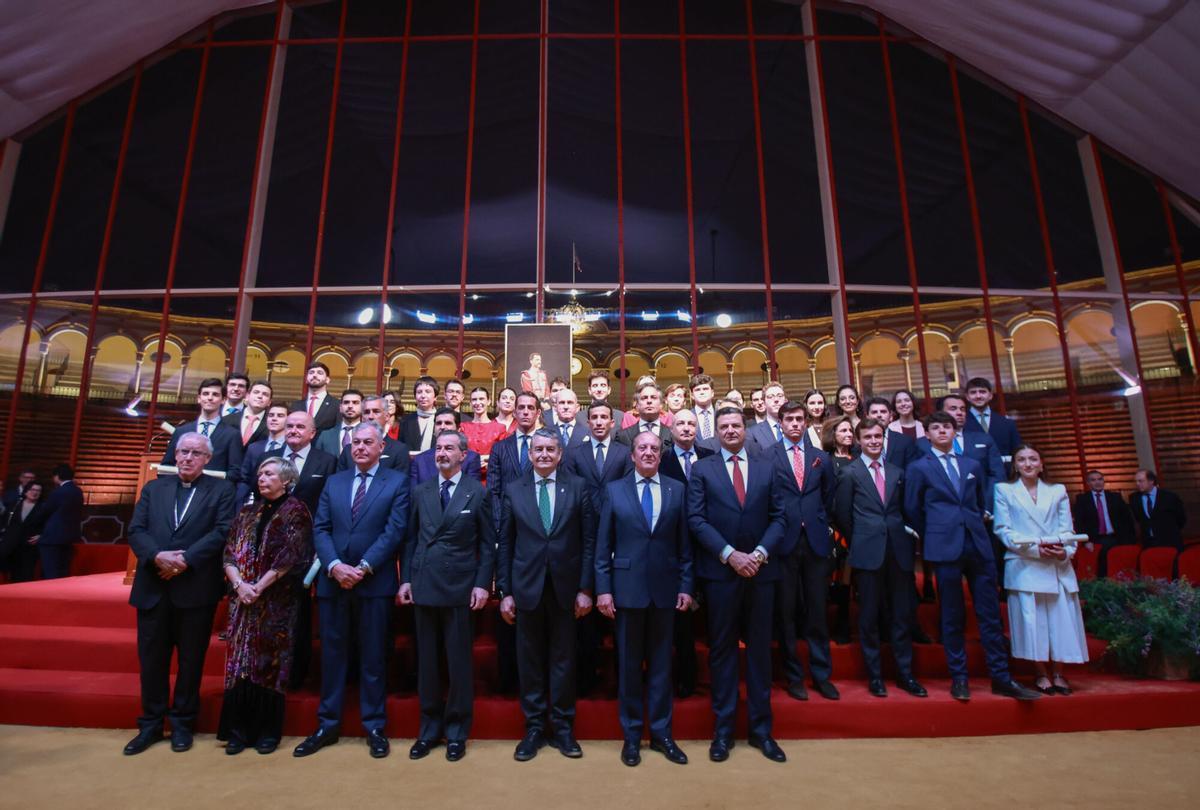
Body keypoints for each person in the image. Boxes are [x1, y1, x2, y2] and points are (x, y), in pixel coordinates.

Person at [904, 411, 1041, 702]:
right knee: (952, 615)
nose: (942, 431)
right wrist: (934, 532)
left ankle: (1001, 678)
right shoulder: (919, 468)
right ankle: (960, 678)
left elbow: (979, 502)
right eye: (936, 427)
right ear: (926, 435)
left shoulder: (971, 465)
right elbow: (913, 509)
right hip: (944, 546)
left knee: (989, 615)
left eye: (947, 427)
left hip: (977, 544)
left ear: (955, 432)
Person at [295, 422, 409, 759]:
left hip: (373, 582)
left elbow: (395, 530)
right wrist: (334, 566)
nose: (359, 447)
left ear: (381, 447)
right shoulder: (335, 482)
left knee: (373, 657)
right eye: (355, 442)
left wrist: (362, 567)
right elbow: (322, 528)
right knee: (332, 656)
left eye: (366, 442)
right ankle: (327, 723)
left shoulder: (398, 482)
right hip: (334, 581)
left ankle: (374, 724)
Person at [124, 432, 239, 755]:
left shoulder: (222, 490)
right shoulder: (154, 488)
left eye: (195, 453)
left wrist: (186, 559)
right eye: (183, 452)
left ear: (207, 459)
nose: (187, 458)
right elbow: (137, 530)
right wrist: (158, 556)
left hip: (194, 588)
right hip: (153, 586)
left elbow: (223, 531)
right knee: (152, 661)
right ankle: (149, 724)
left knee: (191, 662)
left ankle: (182, 724)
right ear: (175, 455)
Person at [687, 406, 789, 764]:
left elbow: (780, 517)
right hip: (721, 575)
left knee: (760, 652)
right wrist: (730, 555)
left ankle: (762, 732)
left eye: (735, 426)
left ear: (745, 429)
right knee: (722, 652)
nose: (730, 431)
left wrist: (758, 554)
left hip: (761, 573)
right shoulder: (702, 469)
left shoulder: (767, 468)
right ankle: (724, 731)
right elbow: (696, 520)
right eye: (724, 427)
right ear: (716, 433)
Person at [497, 429, 596, 762]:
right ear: (530, 454)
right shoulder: (514, 489)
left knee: (564, 660)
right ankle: (535, 728)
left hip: (567, 590)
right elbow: (506, 543)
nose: (543, 454)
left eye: (550, 449)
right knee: (530, 662)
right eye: (537, 449)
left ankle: (564, 728)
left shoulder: (578, 487)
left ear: (560, 454)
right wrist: (505, 591)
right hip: (526, 588)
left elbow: (588, 542)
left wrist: (585, 588)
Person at [596, 431, 693, 767]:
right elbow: (601, 546)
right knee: (629, 669)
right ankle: (633, 736)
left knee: (663, 667)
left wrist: (685, 585)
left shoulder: (677, 489)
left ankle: (663, 734)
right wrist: (604, 589)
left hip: (666, 592)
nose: (649, 452)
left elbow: (685, 547)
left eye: (654, 448)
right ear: (632, 455)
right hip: (626, 591)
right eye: (643, 448)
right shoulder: (614, 490)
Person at [399, 430, 495, 762]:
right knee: (427, 663)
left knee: (457, 663)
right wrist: (406, 579)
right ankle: (428, 729)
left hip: (460, 586)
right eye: (438, 448)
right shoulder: (422, 491)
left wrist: (483, 583)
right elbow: (410, 539)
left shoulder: (477, 493)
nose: (441, 453)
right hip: (425, 582)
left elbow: (487, 543)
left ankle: (456, 731)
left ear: (464, 455)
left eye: (448, 448)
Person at [218, 457, 312, 754]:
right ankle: (237, 731)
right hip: (242, 598)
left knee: (269, 664)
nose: (262, 478)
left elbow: (292, 554)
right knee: (240, 664)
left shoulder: (296, 511)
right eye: (260, 473)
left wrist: (259, 586)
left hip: (276, 600)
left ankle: (267, 732)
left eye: (269, 473)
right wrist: (239, 585)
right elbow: (229, 552)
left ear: (286, 480)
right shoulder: (247, 511)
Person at [834, 419, 926, 699]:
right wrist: (863, 536)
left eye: (878, 436)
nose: (874, 441)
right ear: (859, 440)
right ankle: (875, 676)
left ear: (883, 439)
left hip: (898, 551)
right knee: (869, 617)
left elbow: (905, 510)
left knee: (901, 615)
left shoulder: (897, 472)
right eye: (868, 437)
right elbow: (842, 515)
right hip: (867, 551)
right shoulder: (849, 473)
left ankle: (905, 674)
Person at [993, 445, 1088, 696]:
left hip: (1056, 564)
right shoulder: (1004, 490)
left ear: (1042, 464)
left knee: (1061, 620)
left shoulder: (1057, 491)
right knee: (1031, 622)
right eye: (1021, 460)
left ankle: (1058, 672)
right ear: (1015, 465)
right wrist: (1036, 549)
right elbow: (1004, 529)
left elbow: (1067, 527)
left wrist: (1064, 550)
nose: (1028, 464)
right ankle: (1040, 673)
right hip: (1025, 563)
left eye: (1033, 459)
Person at [765, 401, 837, 701]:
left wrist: (822, 524)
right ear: (780, 423)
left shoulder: (821, 458)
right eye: (789, 419)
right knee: (787, 611)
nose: (794, 424)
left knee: (818, 610)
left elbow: (829, 497)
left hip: (816, 541)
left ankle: (821, 675)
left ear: (806, 422)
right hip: (783, 542)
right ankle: (793, 675)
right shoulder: (767, 457)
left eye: (799, 419)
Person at [263, 410, 336, 690]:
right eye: (289, 425)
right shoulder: (268, 460)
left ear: (312, 433)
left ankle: (296, 675)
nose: (293, 430)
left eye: (299, 426)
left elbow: (329, 505)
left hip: (309, 549)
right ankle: (267, 671)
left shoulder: (326, 462)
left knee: (300, 612)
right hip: (270, 548)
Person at [485, 391, 543, 695]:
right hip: (508, 534)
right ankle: (509, 681)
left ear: (537, 412)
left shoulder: (547, 445)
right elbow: (493, 490)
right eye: (520, 407)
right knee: (508, 606)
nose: (524, 412)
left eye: (530, 408)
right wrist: (500, 526)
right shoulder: (501, 448)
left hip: (540, 535)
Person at [657, 409, 711, 698]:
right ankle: (684, 678)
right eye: (681, 423)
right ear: (671, 428)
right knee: (680, 621)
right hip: (674, 547)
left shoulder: (710, 457)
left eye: (692, 423)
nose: (688, 428)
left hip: (710, 546)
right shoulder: (661, 460)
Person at [918, 394, 1005, 516]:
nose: (959, 413)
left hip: (981, 512)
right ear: (940, 412)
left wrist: (987, 507)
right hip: (943, 517)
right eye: (953, 409)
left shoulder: (984, 439)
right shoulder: (922, 444)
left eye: (962, 409)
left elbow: (997, 475)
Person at [161, 377, 244, 480]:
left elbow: (235, 472)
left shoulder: (232, 434)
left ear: (223, 400)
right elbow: (166, 467)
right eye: (205, 394)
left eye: (215, 394)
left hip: (214, 492)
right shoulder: (181, 431)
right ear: (199, 398)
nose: (210, 398)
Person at [1072, 469, 1136, 577]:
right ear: (1088, 483)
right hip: (1095, 539)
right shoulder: (1082, 499)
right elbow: (1079, 523)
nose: (1097, 482)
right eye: (1093, 480)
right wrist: (1086, 541)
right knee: (1100, 566)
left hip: (1116, 538)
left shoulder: (1115, 497)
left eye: (1100, 479)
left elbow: (1127, 520)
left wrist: (1128, 540)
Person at [337, 395, 411, 474]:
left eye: (376, 411)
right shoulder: (348, 450)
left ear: (387, 416)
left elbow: (399, 483)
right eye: (366, 412)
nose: (370, 417)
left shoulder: (399, 450)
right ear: (362, 417)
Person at [34, 464, 84, 579]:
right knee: (63, 570)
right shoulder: (78, 491)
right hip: (69, 536)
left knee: (50, 570)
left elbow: (45, 511)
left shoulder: (58, 492)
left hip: (52, 537)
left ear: (57, 476)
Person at [409, 409, 482, 486]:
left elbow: (472, 492)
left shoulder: (471, 458)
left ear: (459, 429)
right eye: (438, 423)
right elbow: (414, 495)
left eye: (448, 423)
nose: (442, 427)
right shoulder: (419, 461)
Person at [964, 377, 1021, 474]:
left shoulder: (1007, 424)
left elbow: (1017, 452)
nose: (978, 396)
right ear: (967, 397)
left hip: (1005, 476)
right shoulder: (960, 424)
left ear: (990, 395)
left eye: (982, 392)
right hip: (973, 477)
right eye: (973, 392)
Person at [235, 403, 290, 503]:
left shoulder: (291, 448)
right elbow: (244, 479)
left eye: (280, 416)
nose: (274, 418)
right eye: (271, 415)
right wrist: (240, 501)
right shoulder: (254, 447)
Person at [1130, 469, 1187, 549]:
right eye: (1136, 481)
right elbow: (1139, 518)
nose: (1137, 484)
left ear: (1151, 481)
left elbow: (1181, 518)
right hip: (1149, 543)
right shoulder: (1134, 498)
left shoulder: (1169, 497)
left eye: (1141, 481)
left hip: (1170, 541)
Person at [0, 480, 44, 582]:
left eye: (38, 490)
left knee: (25, 575)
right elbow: (4, 523)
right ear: (26, 491)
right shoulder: (14, 505)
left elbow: (48, 525)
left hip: (29, 546)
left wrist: (41, 535)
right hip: (11, 545)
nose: (35, 492)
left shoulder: (43, 507)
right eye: (32, 489)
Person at [863, 396, 919, 469]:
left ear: (891, 416)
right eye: (874, 412)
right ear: (867, 417)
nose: (879, 415)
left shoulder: (905, 441)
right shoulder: (861, 442)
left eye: (883, 412)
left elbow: (911, 471)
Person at [618, 382, 673, 450]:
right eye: (644, 398)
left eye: (653, 397)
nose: (649, 401)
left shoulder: (672, 435)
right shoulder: (623, 436)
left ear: (661, 404)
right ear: (637, 405)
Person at [290, 362, 337, 433]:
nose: (315, 375)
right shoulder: (295, 405)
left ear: (327, 380)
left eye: (320, 373)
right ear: (306, 379)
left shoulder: (336, 405)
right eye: (311, 373)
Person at [314, 389, 363, 458]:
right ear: (340, 407)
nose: (350, 406)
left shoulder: (370, 434)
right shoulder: (325, 436)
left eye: (355, 402)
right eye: (346, 402)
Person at [462, 386, 508, 459]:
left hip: (491, 469)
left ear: (488, 401)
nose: (478, 402)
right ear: (470, 404)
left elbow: (503, 454)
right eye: (474, 399)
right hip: (468, 469)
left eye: (481, 399)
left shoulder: (500, 428)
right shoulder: (463, 427)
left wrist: (489, 459)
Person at [223, 380, 272, 447]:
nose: (260, 396)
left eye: (265, 394)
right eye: (256, 392)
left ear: (269, 402)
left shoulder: (271, 424)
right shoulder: (227, 420)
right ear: (247, 396)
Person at [744, 380, 786, 457]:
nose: (776, 400)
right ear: (764, 401)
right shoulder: (752, 432)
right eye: (771, 397)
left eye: (780, 396)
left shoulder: (797, 427)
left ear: (785, 400)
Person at [400, 376, 441, 453]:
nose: (423, 396)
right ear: (415, 396)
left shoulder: (441, 419)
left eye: (427, 392)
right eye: (419, 392)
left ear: (435, 397)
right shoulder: (405, 420)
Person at [549, 388, 588, 454]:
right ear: (555, 407)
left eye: (570, 403)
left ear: (577, 408)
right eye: (562, 403)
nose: (566, 407)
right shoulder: (547, 433)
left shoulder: (588, 433)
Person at [689, 373, 718, 443]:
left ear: (712, 393)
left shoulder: (721, 414)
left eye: (705, 389)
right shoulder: (687, 417)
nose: (702, 392)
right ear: (692, 395)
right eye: (697, 390)